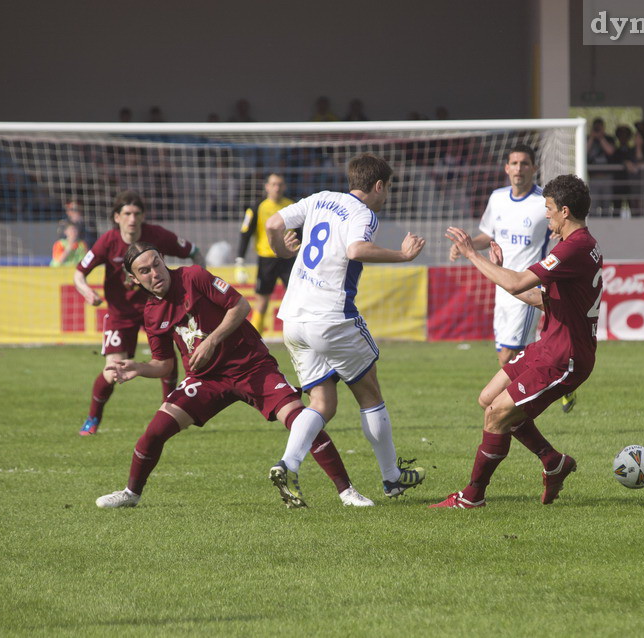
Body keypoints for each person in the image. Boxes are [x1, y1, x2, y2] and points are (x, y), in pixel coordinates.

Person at [95, 243, 373, 508]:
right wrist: (138, 368)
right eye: (145, 271)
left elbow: (240, 306)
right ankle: (131, 493)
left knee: (301, 419)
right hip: (205, 379)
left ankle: (347, 491)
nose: (155, 273)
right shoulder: (152, 313)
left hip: (251, 366)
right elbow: (164, 365)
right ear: (134, 278)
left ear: (163, 260)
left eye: (157, 264)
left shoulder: (194, 276)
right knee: (155, 431)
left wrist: (212, 341)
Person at [264, 153, 427, 508]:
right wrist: (402, 256)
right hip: (331, 317)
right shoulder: (363, 213)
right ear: (378, 185)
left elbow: (274, 223)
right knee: (369, 394)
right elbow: (356, 249)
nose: (386, 197)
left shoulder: (321, 197)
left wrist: (281, 253)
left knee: (321, 402)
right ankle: (391, 478)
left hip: (292, 318)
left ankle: (288, 464)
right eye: (387, 189)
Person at [431, 174, 603, 509]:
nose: (546, 215)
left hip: (564, 357)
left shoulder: (572, 248)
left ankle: (472, 496)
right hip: (549, 345)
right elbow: (543, 298)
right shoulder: (583, 245)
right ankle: (553, 461)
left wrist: (471, 254)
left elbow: (516, 285)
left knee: (497, 415)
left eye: (549, 209)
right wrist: (503, 270)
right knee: (488, 399)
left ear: (565, 211)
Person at [449, 144, 577, 413]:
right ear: (507, 168)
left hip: (529, 285)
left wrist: (559, 231)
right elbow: (488, 235)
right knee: (506, 355)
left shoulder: (545, 201)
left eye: (524, 163)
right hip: (502, 283)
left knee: (509, 354)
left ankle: (512, 410)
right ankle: (560, 378)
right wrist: (467, 245)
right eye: (514, 163)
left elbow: (569, 225)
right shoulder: (497, 198)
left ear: (533, 168)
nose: (519, 168)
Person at [73, 191, 204, 436]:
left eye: (136, 214)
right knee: (112, 370)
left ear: (143, 216)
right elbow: (79, 274)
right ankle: (92, 419)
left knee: (168, 362)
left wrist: (199, 287)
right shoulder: (107, 241)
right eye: (127, 214)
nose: (132, 219)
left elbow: (195, 252)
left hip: (156, 309)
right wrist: (87, 293)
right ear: (117, 217)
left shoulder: (157, 236)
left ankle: (169, 414)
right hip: (120, 314)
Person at [234, 174, 296, 336]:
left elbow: (302, 234)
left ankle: (297, 335)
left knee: (295, 298)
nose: (277, 188)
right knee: (261, 301)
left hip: (289, 259)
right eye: (274, 184)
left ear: (284, 187)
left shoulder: (292, 206)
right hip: (266, 260)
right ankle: (255, 339)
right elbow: (245, 233)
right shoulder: (257, 207)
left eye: (280, 184)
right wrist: (240, 260)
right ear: (267, 186)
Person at [586, 118, 617, 215]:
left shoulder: (609, 139)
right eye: (596, 128)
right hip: (594, 178)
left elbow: (610, 151)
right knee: (593, 206)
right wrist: (591, 137)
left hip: (607, 177)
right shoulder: (588, 139)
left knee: (606, 206)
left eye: (599, 127)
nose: (597, 130)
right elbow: (583, 152)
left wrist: (601, 138)